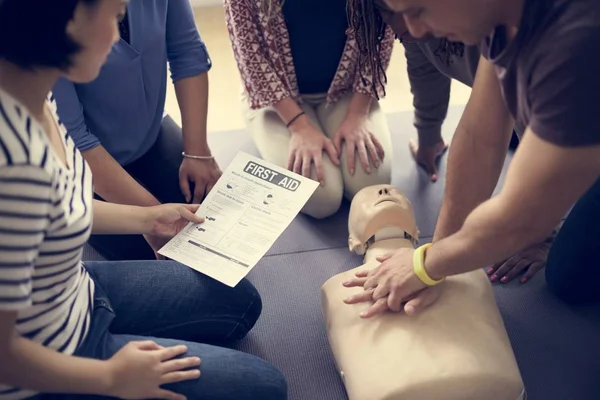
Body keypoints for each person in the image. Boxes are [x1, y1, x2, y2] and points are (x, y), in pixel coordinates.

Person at [0, 1, 287, 399]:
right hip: (52, 355)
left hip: (76, 289)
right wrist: (110, 378)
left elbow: (60, 208)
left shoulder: (35, 95)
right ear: (67, 18)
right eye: (116, 18)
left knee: (239, 302)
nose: (120, 36)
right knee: (264, 388)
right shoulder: (13, 166)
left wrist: (147, 219)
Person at [343, 0, 600, 315]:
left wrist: (426, 265)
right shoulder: (499, 17)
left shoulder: (578, 39)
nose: (414, 30)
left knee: (566, 278)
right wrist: (433, 259)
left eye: (419, 10)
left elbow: (526, 218)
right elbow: (480, 139)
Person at [52, 0, 222, 262]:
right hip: (79, 162)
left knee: (212, 214)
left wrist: (198, 152)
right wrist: (153, 219)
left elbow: (187, 52)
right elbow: (72, 139)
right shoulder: (44, 20)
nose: (114, 37)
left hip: (150, 134)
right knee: (155, 255)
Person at [224, 0, 395, 219]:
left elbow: (381, 37)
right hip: (275, 99)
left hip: (349, 89)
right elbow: (250, 57)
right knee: (321, 199)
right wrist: (300, 127)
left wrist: (358, 114)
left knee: (371, 184)